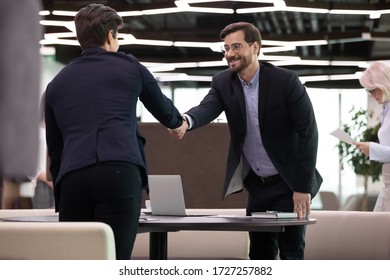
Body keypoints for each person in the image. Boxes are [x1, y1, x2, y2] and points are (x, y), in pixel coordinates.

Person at [44, 4, 186, 260]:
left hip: (73, 179)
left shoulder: (56, 84)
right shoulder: (130, 66)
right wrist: (180, 123)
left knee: (76, 264)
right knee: (115, 260)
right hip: (118, 172)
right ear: (111, 36)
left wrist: (63, 192)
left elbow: (55, 148)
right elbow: (166, 112)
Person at [171, 22, 322, 260]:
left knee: (291, 252)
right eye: (226, 48)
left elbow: (309, 133)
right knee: (260, 254)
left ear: (255, 47)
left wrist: (302, 188)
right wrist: (186, 121)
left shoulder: (286, 81)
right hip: (257, 186)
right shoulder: (223, 82)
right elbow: (206, 108)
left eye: (236, 46)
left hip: (288, 183)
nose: (230, 53)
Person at [354, 61, 390, 211]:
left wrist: (373, 149)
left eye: (373, 89)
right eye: (369, 91)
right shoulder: (386, 108)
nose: (372, 94)